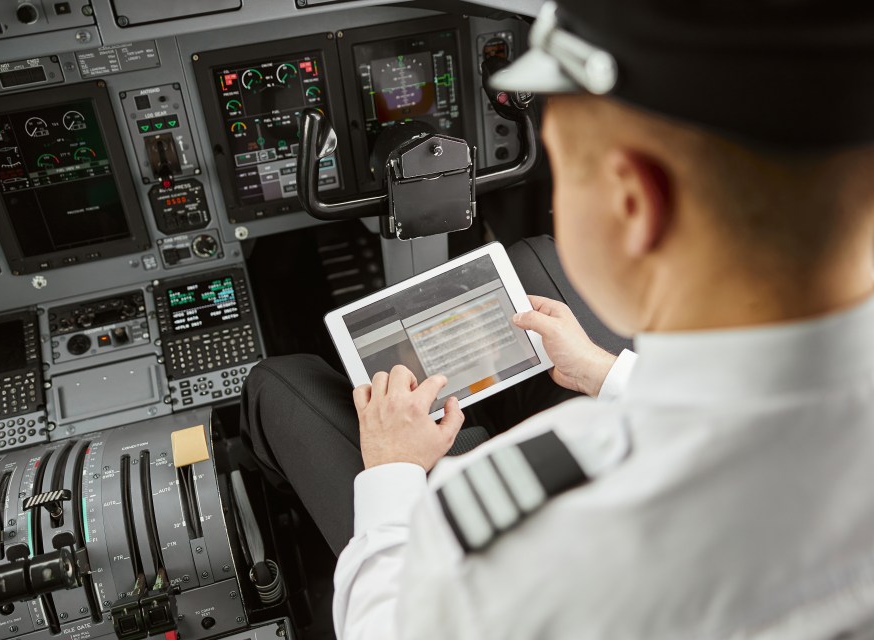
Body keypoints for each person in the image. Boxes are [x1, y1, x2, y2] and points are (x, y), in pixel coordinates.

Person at [241, 0, 874, 636]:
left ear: (633, 205)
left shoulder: (527, 544)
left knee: (281, 383)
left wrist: (392, 472)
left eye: (565, 168)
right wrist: (610, 375)